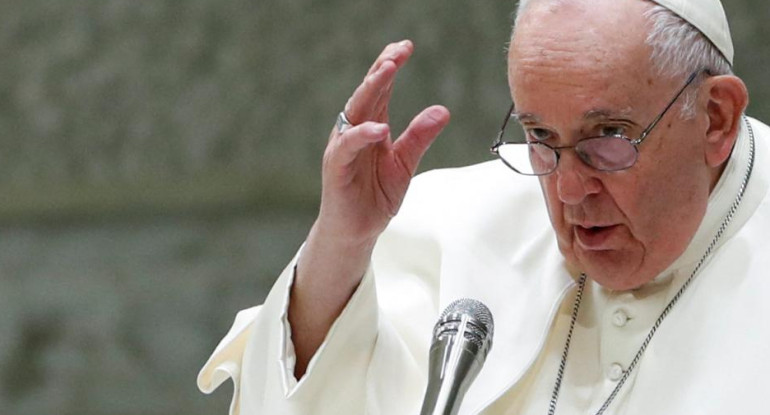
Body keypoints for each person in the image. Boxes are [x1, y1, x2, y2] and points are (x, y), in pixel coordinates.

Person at [198, 0, 770, 413]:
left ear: (715, 117)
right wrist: (343, 240)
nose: (569, 191)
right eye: (541, 137)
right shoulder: (454, 219)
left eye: (609, 137)